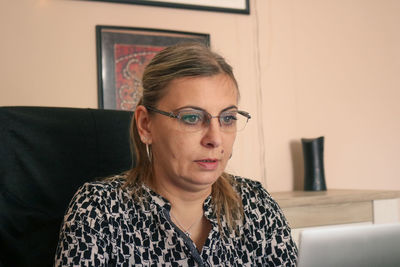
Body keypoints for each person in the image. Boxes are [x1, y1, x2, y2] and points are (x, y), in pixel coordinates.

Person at [54, 42, 298, 266]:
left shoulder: (257, 204)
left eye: (227, 118)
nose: (214, 139)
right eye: (191, 117)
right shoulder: (99, 209)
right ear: (146, 125)